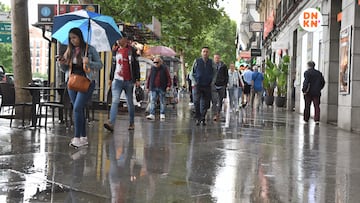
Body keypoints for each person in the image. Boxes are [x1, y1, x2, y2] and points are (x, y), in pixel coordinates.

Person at [58, 27, 103, 148]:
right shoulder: (69, 51)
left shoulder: (90, 49)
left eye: (74, 37)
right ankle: (83, 137)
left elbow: (100, 65)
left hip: (86, 82)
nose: (72, 40)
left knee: (77, 108)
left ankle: (77, 137)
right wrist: (62, 63)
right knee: (79, 109)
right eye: (70, 38)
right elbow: (65, 70)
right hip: (72, 82)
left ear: (80, 37)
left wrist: (89, 62)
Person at [104, 33, 140, 132]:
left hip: (129, 80)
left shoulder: (131, 51)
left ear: (125, 39)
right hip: (117, 80)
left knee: (129, 102)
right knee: (115, 100)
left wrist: (137, 79)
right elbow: (113, 65)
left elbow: (136, 65)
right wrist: (110, 78)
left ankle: (131, 123)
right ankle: (111, 122)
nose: (118, 41)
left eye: (119, 38)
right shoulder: (115, 51)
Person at [189, 47, 216, 126]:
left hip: (207, 85)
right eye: (204, 51)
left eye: (207, 52)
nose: (205, 53)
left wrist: (212, 82)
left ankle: (203, 117)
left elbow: (215, 72)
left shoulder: (211, 62)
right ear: (201, 53)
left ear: (209, 53)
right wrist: (194, 82)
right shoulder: (197, 61)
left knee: (206, 103)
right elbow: (191, 73)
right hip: (198, 85)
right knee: (196, 101)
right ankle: (198, 117)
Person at [146, 56, 172, 121]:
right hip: (153, 87)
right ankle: (152, 114)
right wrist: (147, 86)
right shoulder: (152, 68)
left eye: (157, 62)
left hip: (162, 87)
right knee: (152, 101)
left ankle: (162, 113)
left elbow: (168, 77)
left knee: (162, 101)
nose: (155, 64)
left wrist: (168, 85)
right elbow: (149, 78)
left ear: (161, 62)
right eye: (154, 62)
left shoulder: (164, 68)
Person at [211, 53, 228, 121]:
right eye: (215, 58)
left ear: (219, 58)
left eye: (218, 58)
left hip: (221, 85)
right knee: (214, 100)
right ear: (213, 58)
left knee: (220, 101)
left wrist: (225, 84)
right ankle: (215, 114)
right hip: (213, 85)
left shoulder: (223, 66)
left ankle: (218, 113)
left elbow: (226, 76)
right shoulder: (211, 65)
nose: (216, 59)